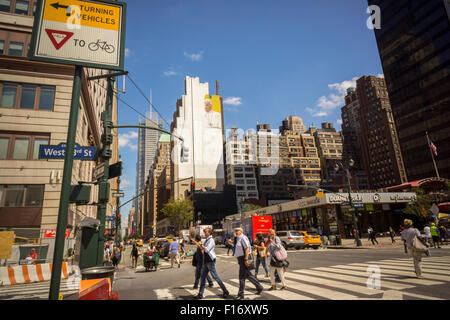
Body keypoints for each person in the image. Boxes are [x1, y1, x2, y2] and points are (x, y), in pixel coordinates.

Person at [191, 228, 229, 300]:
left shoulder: (211, 240)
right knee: (203, 278)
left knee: (215, 277)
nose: (204, 233)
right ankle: (200, 294)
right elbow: (202, 248)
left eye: (205, 231)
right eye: (204, 231)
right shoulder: (206, 240)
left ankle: (225, 291)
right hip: (205, 261)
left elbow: (206, 249)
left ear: (209, 233)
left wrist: (200, 244)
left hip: (210, 261)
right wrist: (197, 243)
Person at [227, 228, 263, 300]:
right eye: (235, 231)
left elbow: (247, 248)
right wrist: (231, 242)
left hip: (244, 258)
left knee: (241, 277)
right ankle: (259, 287)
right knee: (248, 275)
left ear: (241, 231)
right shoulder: (238, 239)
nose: (236, 232)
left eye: (237, 231)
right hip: (240, 259)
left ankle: (241, 294)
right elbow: (237, 245)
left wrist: (246, 259)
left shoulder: (243, 238)